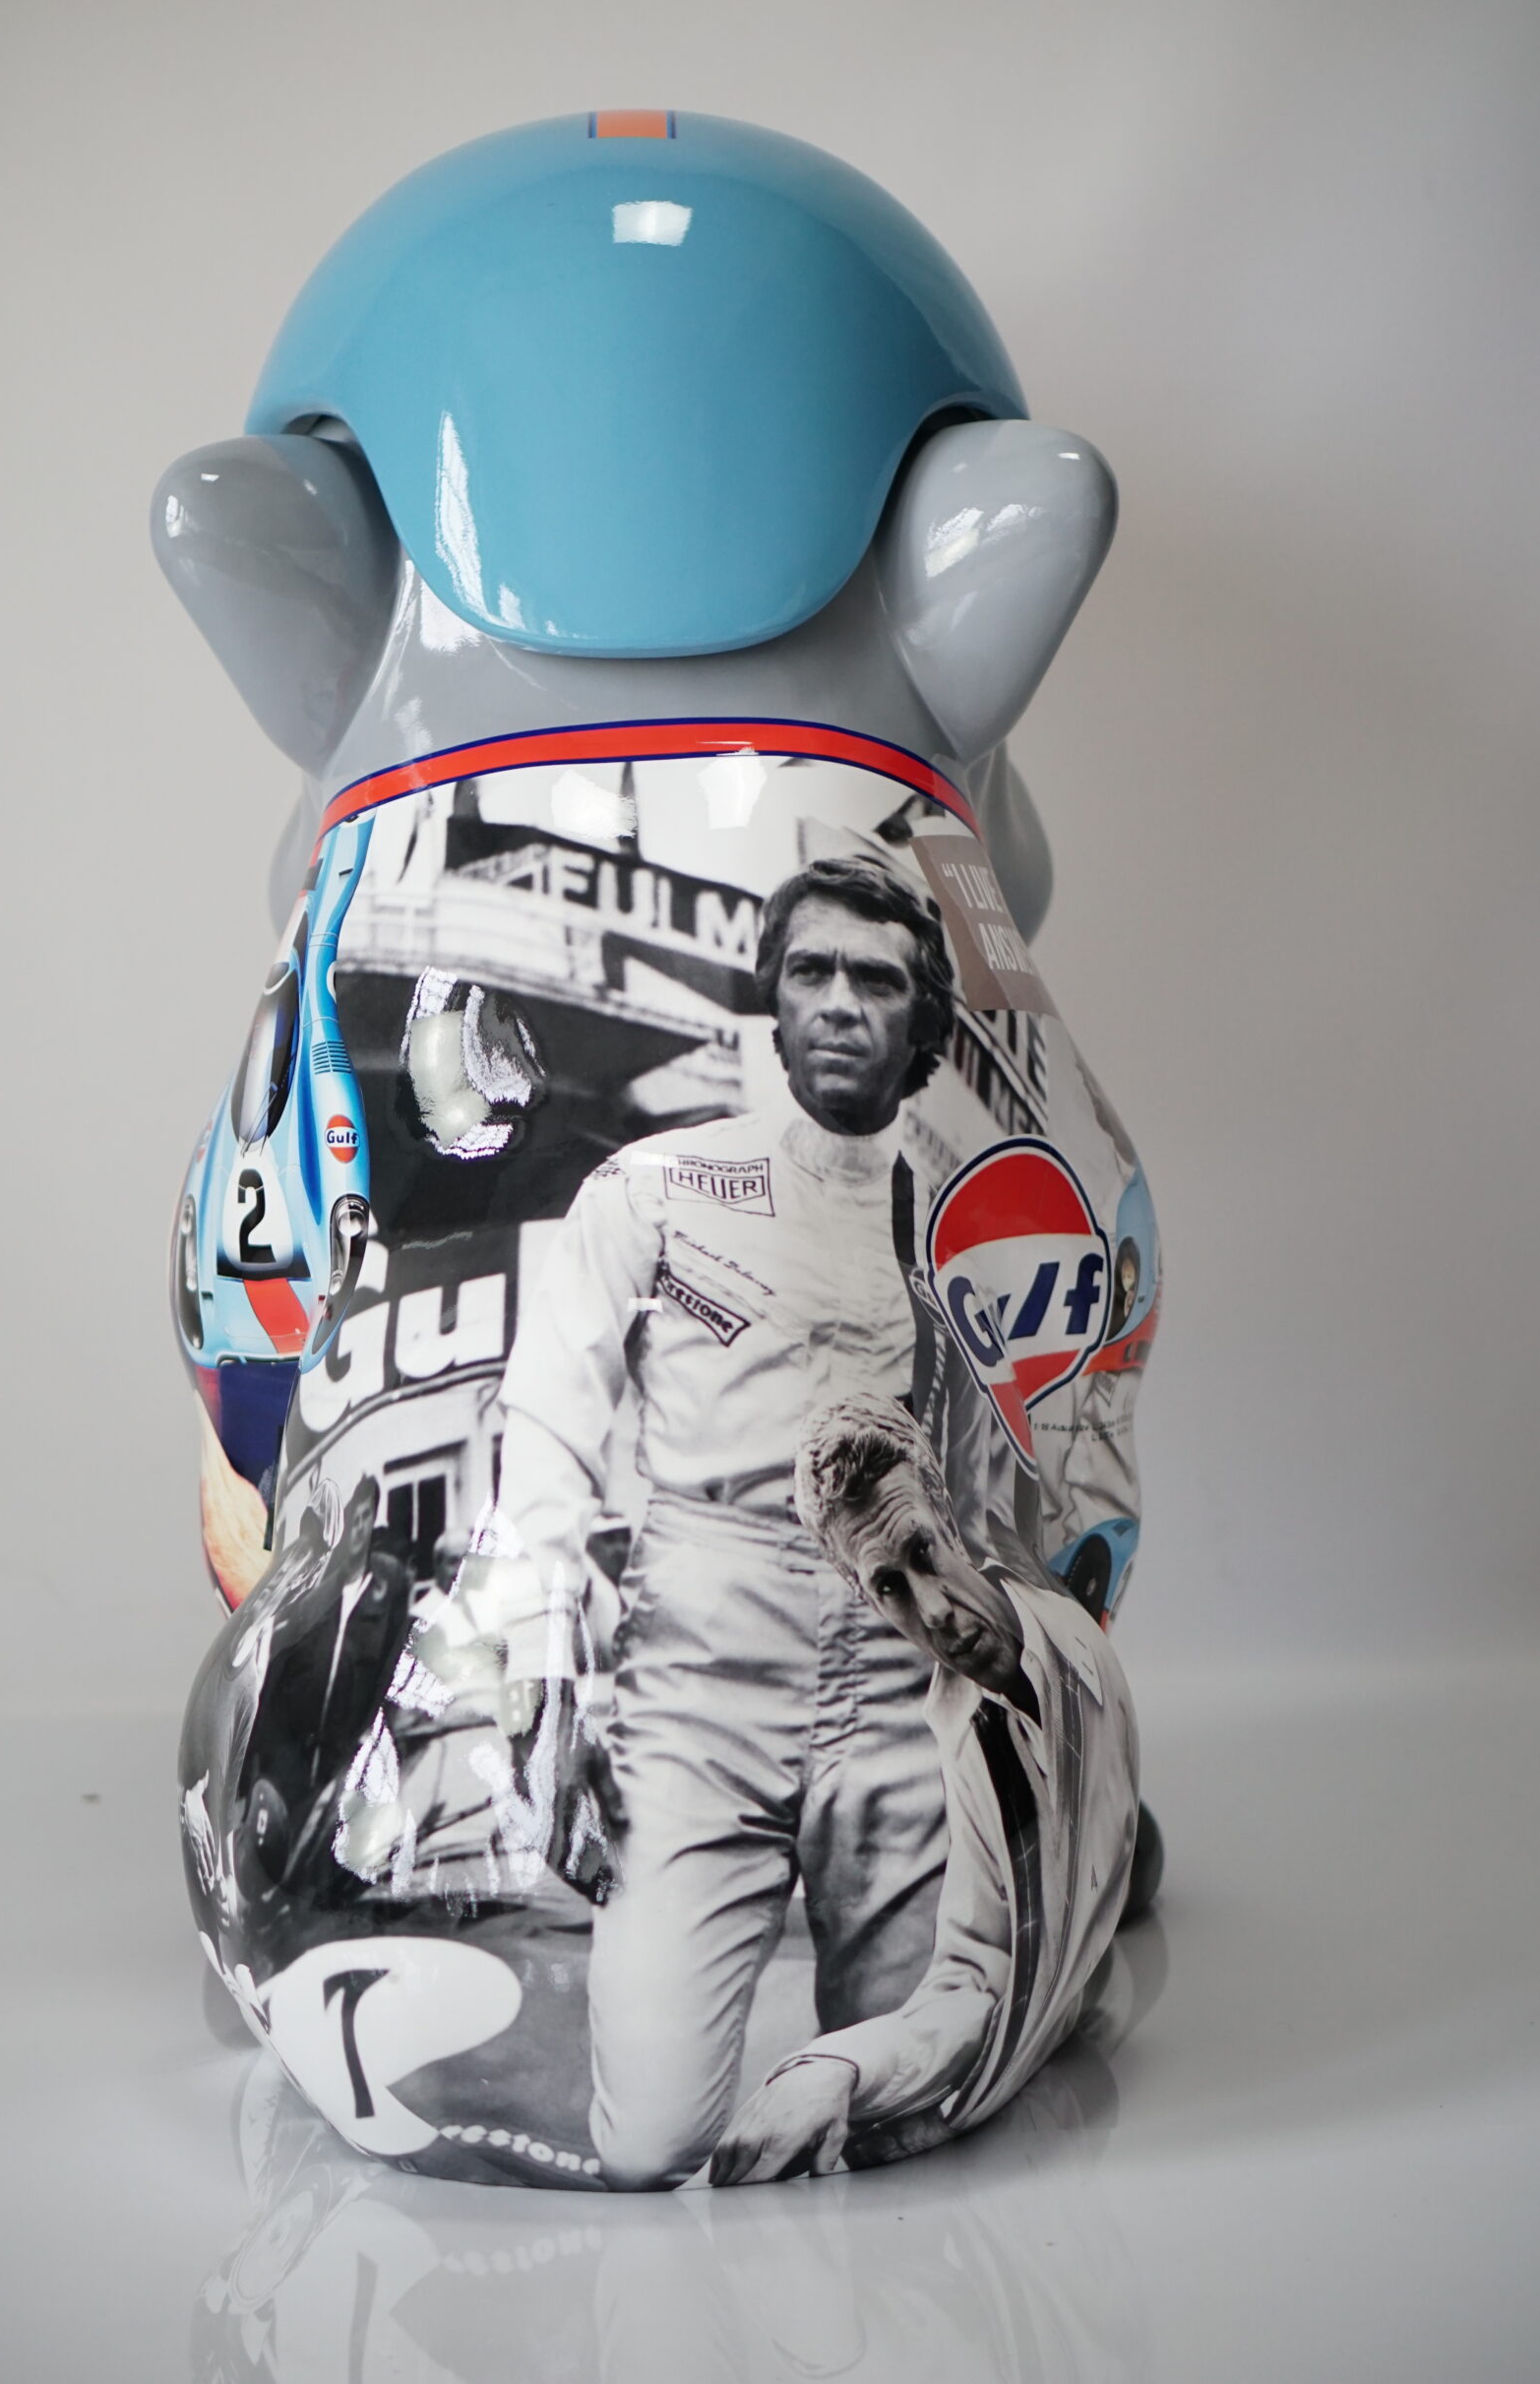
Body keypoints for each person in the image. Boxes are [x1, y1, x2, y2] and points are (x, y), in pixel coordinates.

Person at [471, 854, 997, 2187]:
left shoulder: (964, 1217)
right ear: (771, 996)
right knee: (650, 2137)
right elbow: (548, 1419)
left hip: (903, 1653)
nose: (839, 1004)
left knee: (904, 2126)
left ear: (921, 1020)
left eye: (876, 980)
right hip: (705, 1652)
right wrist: (542, 1661)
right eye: (810, 972)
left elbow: (1022, 1459)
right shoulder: (657, 1186)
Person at [708, 1394, 1138, 2186]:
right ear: (859, 1595)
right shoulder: (964, 1735)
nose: (932, 1610)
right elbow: (976, 1976)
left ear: (947, 1513)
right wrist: (834, 2068)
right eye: (889, 1589)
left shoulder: (1069, 1641)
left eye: (923, 1553)